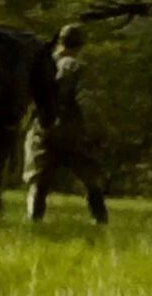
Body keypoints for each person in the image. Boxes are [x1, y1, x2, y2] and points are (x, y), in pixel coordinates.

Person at [22, 23, 108, 224]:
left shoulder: (42, 66)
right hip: (73, 128)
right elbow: (87, 101)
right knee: (89, 177)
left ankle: (34, 219)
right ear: (81, 45)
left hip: (42, 127)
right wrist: (99, 130)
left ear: (59, 41)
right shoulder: (79, 68)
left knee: (38, 179)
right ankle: (100, 220)